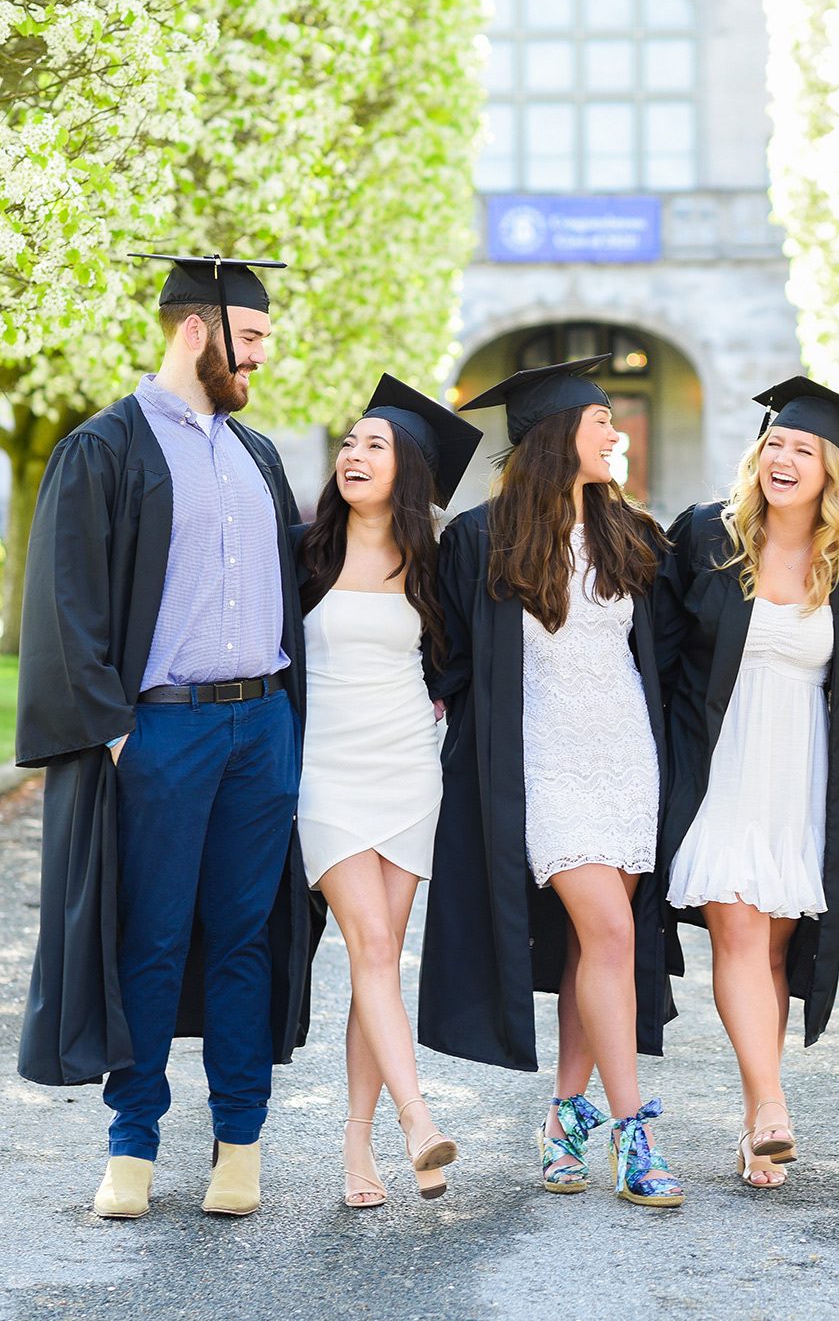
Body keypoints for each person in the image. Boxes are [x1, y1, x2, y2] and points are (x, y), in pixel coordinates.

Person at [15, 253, 320, 1221]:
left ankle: (240, 1146)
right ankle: (131, 1150)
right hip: (163, 732)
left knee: (242, 940)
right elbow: (65, 601)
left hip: (260, 725)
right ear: (200, 329)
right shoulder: (104, 449)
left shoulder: (256, 454)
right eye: (254, 339)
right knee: (146, 942)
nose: (262, 359)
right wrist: (111, 732)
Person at [419, 356, 683, 1208]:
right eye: (601, 420)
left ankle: (565, 1119)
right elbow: (444, 660)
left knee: (589, 946)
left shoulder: (632, 533)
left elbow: (667, 656)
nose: (616, 433)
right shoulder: (478, 540)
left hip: (627, 759)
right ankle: (634, 1129)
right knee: (610, 933)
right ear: (554, 437)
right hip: (544, 765)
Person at [656, 378, 839, 1190]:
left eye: (803, 449)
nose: (783, 459)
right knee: (739, 932)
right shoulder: (704, 538)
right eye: (774, 445)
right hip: (719, 762)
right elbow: (655, 647)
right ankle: (769, 1108)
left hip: (802, 770)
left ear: (830, 471)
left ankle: (757, 1119)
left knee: (778, 950)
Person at [294, 374, 481, 1207]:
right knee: (368, 942)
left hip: (408, 766)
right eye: (349, 441)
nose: (354, 454)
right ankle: (416, 1120)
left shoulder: (434, 562)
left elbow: (459, 662)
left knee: (381, 959)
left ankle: (358, 1139)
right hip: (325, 772)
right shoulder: (304, 554)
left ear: (408, 470)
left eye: (375, 444)